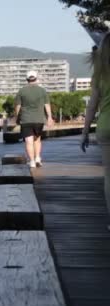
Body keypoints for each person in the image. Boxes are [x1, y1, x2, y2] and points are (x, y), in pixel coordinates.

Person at [81, 33, 110, 227]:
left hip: (106, 127)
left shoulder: (99, 74)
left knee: (109, 175)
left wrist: (84, 133)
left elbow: (92, 106)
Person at [14, 70, 55, 168]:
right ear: (36, 78)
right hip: (39, 119)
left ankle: (32, 161)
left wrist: (17, 117)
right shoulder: (42, 91)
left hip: (26, 119)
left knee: (28, 141)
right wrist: (49, 117)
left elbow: (17, 106)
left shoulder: (21, 91)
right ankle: (37, 158)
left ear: (27, 79)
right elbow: (47, 105)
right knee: (37, 140)